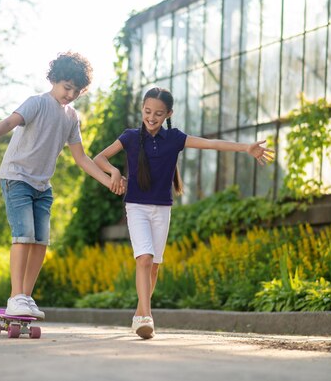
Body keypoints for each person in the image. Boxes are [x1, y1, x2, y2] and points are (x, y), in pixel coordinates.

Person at [93, 87, 274, 339]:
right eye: (147, 111)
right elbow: (99, 158)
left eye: (158, 113)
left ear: (168, 113)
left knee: (154, 266)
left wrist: (245, 148)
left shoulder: (175, 138)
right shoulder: (130, 137)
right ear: (142, 110)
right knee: (143, 259)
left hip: (163, 209)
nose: (152, 117)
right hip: (136, 206)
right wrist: (113, 172)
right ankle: (146, 316)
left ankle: (139, 314)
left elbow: (210, 143)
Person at [0, 52, 125, 320]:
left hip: (42, 185)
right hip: (17, 177)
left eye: (76, 91)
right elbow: (9, 121)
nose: (70, 94)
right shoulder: (37, 103)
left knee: (41, 241)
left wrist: (108, 180)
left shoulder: (71, 117)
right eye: (66, 87)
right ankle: (15, 295)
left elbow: (81, 158)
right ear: (53, 79)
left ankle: (25, 297)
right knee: (24, 234)